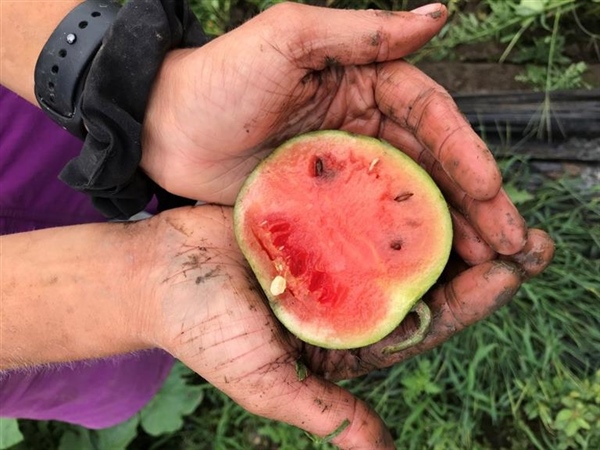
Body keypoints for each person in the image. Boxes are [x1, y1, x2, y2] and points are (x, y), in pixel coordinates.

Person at [0, 1, 554, 448]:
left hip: (30, 108)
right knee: (120, 380)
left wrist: (125, 84)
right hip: (40, 330)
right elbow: (136, 293)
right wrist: (137, 286)